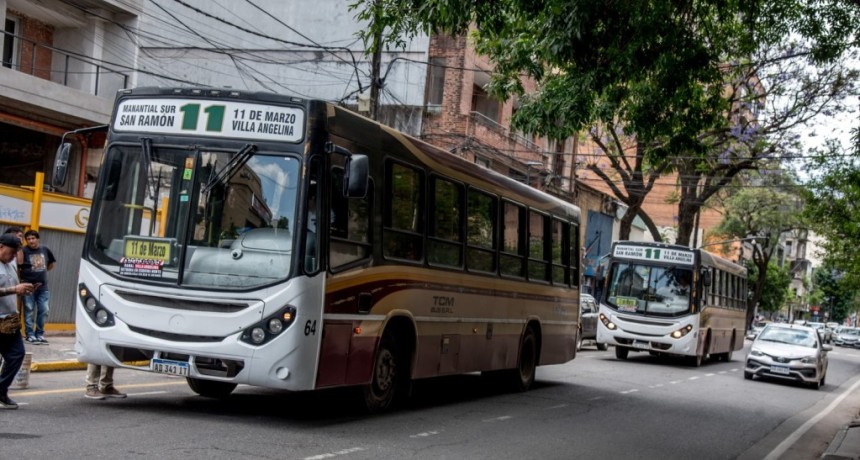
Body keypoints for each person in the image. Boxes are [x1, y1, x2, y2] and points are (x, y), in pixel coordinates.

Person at [0, 233, 36, 409]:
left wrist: (24, 289)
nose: (14, 256)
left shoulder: (11, 265)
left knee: (16, 354)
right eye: (12, 252)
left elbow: (13, 289)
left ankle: (1, 391)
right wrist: (14, 289)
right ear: (1, 247)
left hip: (9, 320)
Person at [19, 230, 55, 345]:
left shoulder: (45, 249)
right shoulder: (23, 251)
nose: (31, 241)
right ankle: (30, 334)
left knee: (44, 310)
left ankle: (39, 334)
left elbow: (51, 264)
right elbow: (18, 266)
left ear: (37, 239)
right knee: (29, 310)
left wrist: (42, 273)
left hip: (43, 287)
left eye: (33, 238)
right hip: (28, 286)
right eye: (28, 239)